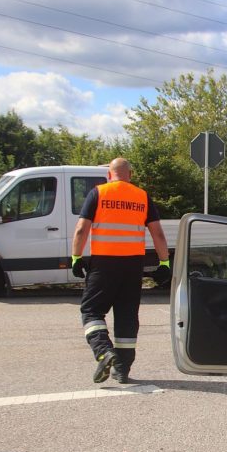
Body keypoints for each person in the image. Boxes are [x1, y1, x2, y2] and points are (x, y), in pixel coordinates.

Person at [70, 157, 170, 384]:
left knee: (91, 311)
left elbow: (81, 229)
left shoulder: (98, 193)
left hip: (104, 264)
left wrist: (76, 257)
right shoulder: (142, 196)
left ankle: (104, 352)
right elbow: (158, 234)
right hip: (133, 265)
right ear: (130, 176)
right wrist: (164, 263)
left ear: (109, 175)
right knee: (127, 316)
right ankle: (122, 369)